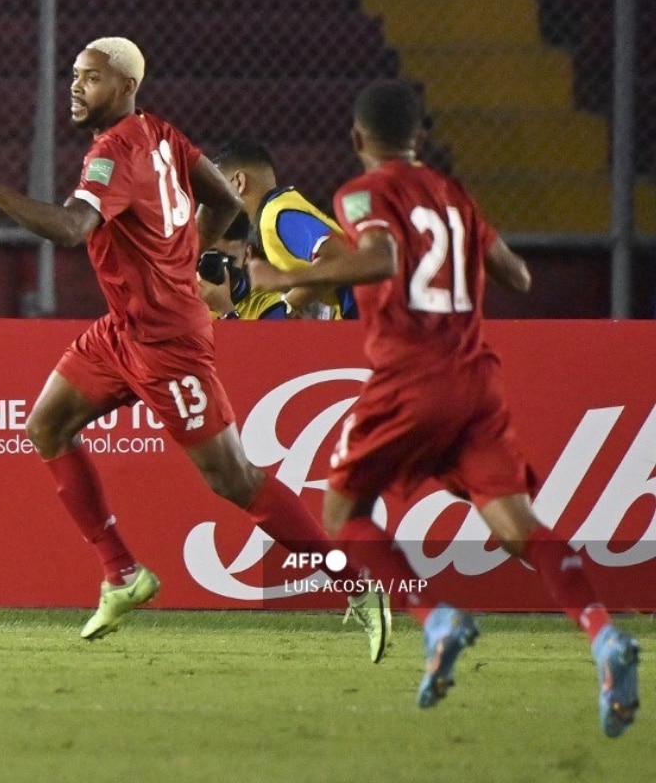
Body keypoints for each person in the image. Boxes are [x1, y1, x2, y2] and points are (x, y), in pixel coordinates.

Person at [0, 37, 390, 660]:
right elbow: (226, 200)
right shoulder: (163, 134)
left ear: (125, 87)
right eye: (74, 75)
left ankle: (354, 581)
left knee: (234, 479)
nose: (75, 87)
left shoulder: (111, 154)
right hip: (123, 329)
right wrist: (185, 261)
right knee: (47, 425)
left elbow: (73, 229)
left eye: (90, 78)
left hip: (168, 343)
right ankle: (122, 572)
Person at [250, 79, 640, 736]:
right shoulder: (456, 197)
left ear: (357, 139)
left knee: (341, 514)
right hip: (477, 379)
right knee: (519, 526)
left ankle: (435, 617)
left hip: (410, 375)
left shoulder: (361, 193)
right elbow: (517, 274)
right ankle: (602, 634)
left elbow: (381, 258)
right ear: (420, 137)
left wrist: (284, 277)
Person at [207, 139, 356, 320]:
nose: (217, 199)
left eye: (220, 187)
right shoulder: (282, 207)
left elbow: (337, 259)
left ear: (239, 181)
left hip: (362, 311)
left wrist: (288, 302)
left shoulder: (275, 216)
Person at [196, 210, 290, 320]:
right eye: (211, 257)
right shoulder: (177, 297)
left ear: (247, 255)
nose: (221, 268)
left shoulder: (269, 306)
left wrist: (226, 311)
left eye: (229, 260)